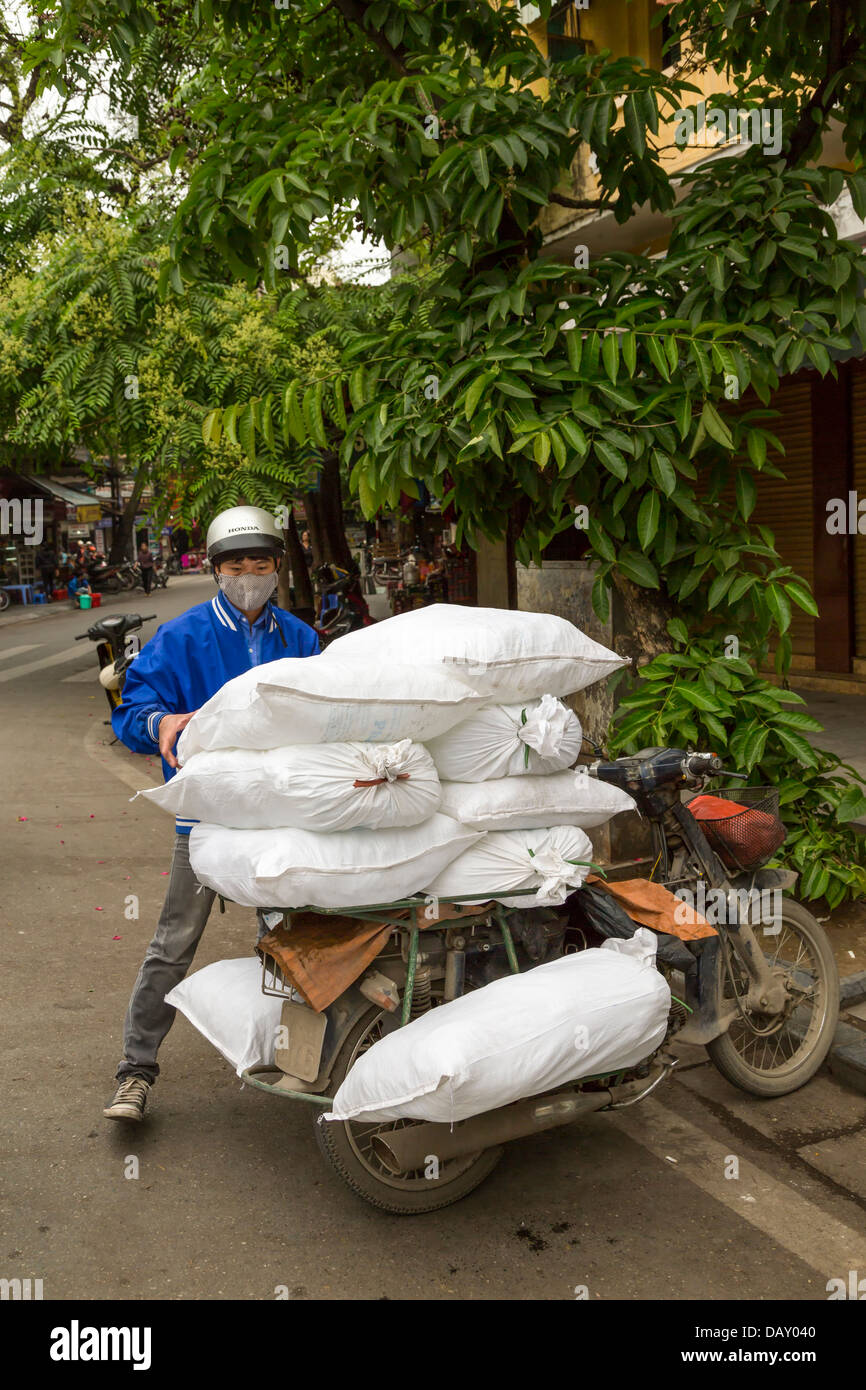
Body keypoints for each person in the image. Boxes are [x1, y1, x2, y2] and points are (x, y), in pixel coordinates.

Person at [103, 506, 319, 1122]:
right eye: (236, 565)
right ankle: (135, 1071)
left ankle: (291, 1058)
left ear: (278, 568)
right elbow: (133, 711)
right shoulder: (182, 637)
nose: (248, 574)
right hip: (205, 819)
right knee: (173, 944)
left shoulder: (299, 639)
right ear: (215, 569)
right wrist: (160, 721)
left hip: (280, 818)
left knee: (288, 939)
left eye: (260, 564)